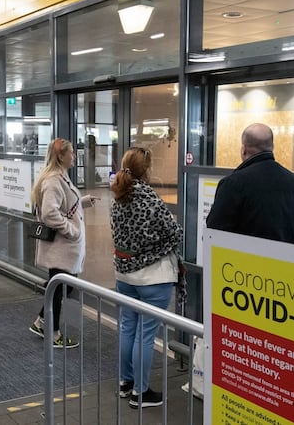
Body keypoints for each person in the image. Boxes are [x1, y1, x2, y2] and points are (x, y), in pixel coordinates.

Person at [110, 147, 182, 409]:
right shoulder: (149, 198)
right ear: (147, 170)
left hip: (124, 275)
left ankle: (125, 382)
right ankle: (141, 393)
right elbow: (173, 233)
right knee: (146, 334)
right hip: (152, 278)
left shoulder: (118, 196)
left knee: (128, 327)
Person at [27, 138, 98, 349]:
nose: (74, 156)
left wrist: (81, 201)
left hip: (63, 248)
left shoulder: (60, 178)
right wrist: (72, 231)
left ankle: (42, 322)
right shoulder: (53, 181)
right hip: (61, 247)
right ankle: (53, 332)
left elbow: (62, 204)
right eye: (71, 153)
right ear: (61, 156)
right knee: (60, 288)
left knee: (60, 288)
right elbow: (50, 213)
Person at [206, 123, 294, 244]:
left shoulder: (233, 184)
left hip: (246, 260)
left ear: (243, 150)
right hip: (287, 261)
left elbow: (215, 230)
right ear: (272, 147)